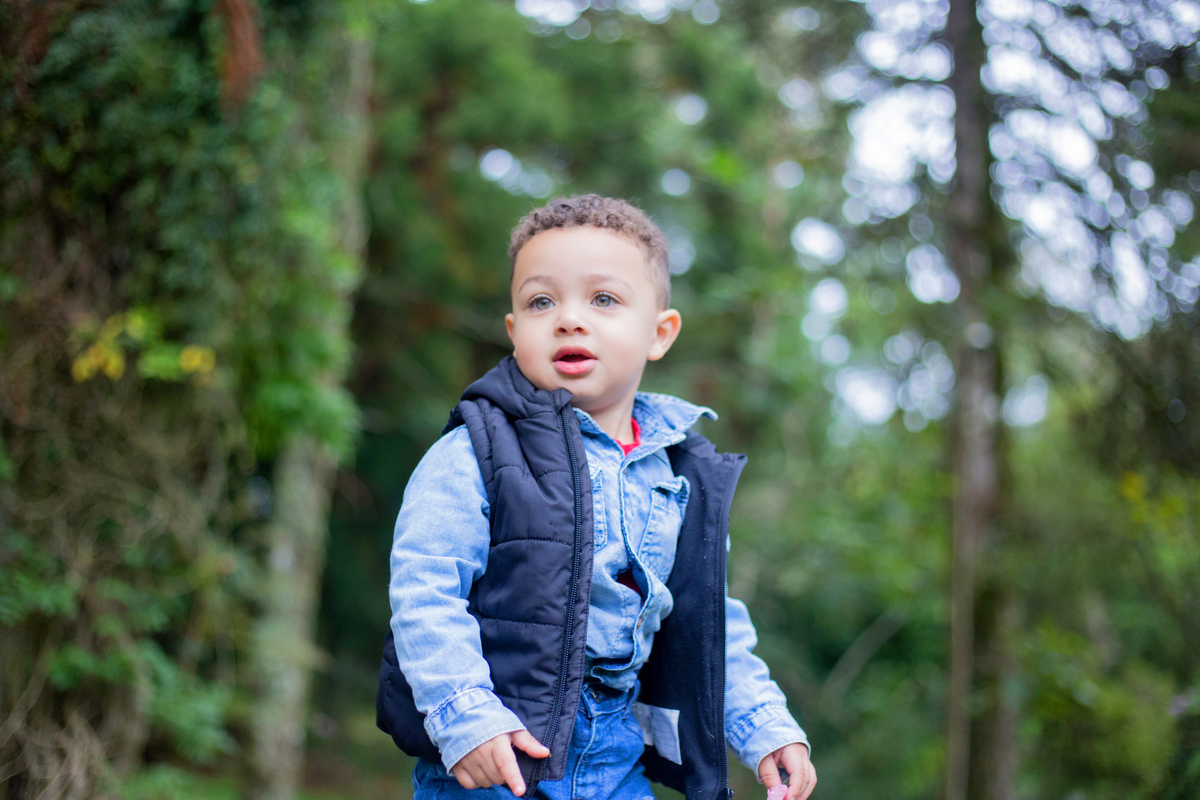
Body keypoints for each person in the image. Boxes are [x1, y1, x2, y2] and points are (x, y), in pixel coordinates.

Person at [377, 195, 817, 800]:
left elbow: (707, 622)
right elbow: (425, 589)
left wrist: (763, 726)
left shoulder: (679, 472)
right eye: (540, 302)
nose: (568, 319)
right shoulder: (477, 449)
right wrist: (465, 715)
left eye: (603, 299)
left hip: (617, 759)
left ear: (659, 333)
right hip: (500, 757)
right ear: (513, 332)